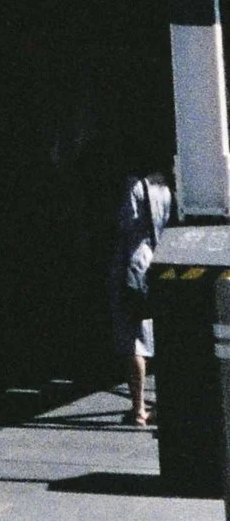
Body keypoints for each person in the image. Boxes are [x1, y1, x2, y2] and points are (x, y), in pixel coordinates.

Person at [110, 167, 174, 431]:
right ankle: (163, 403)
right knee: (157, 335)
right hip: (157, 258)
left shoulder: (133, 185)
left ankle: (138, 408)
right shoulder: (164, 186)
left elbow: (125, 223)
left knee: (134, 340)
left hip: (133, 263)